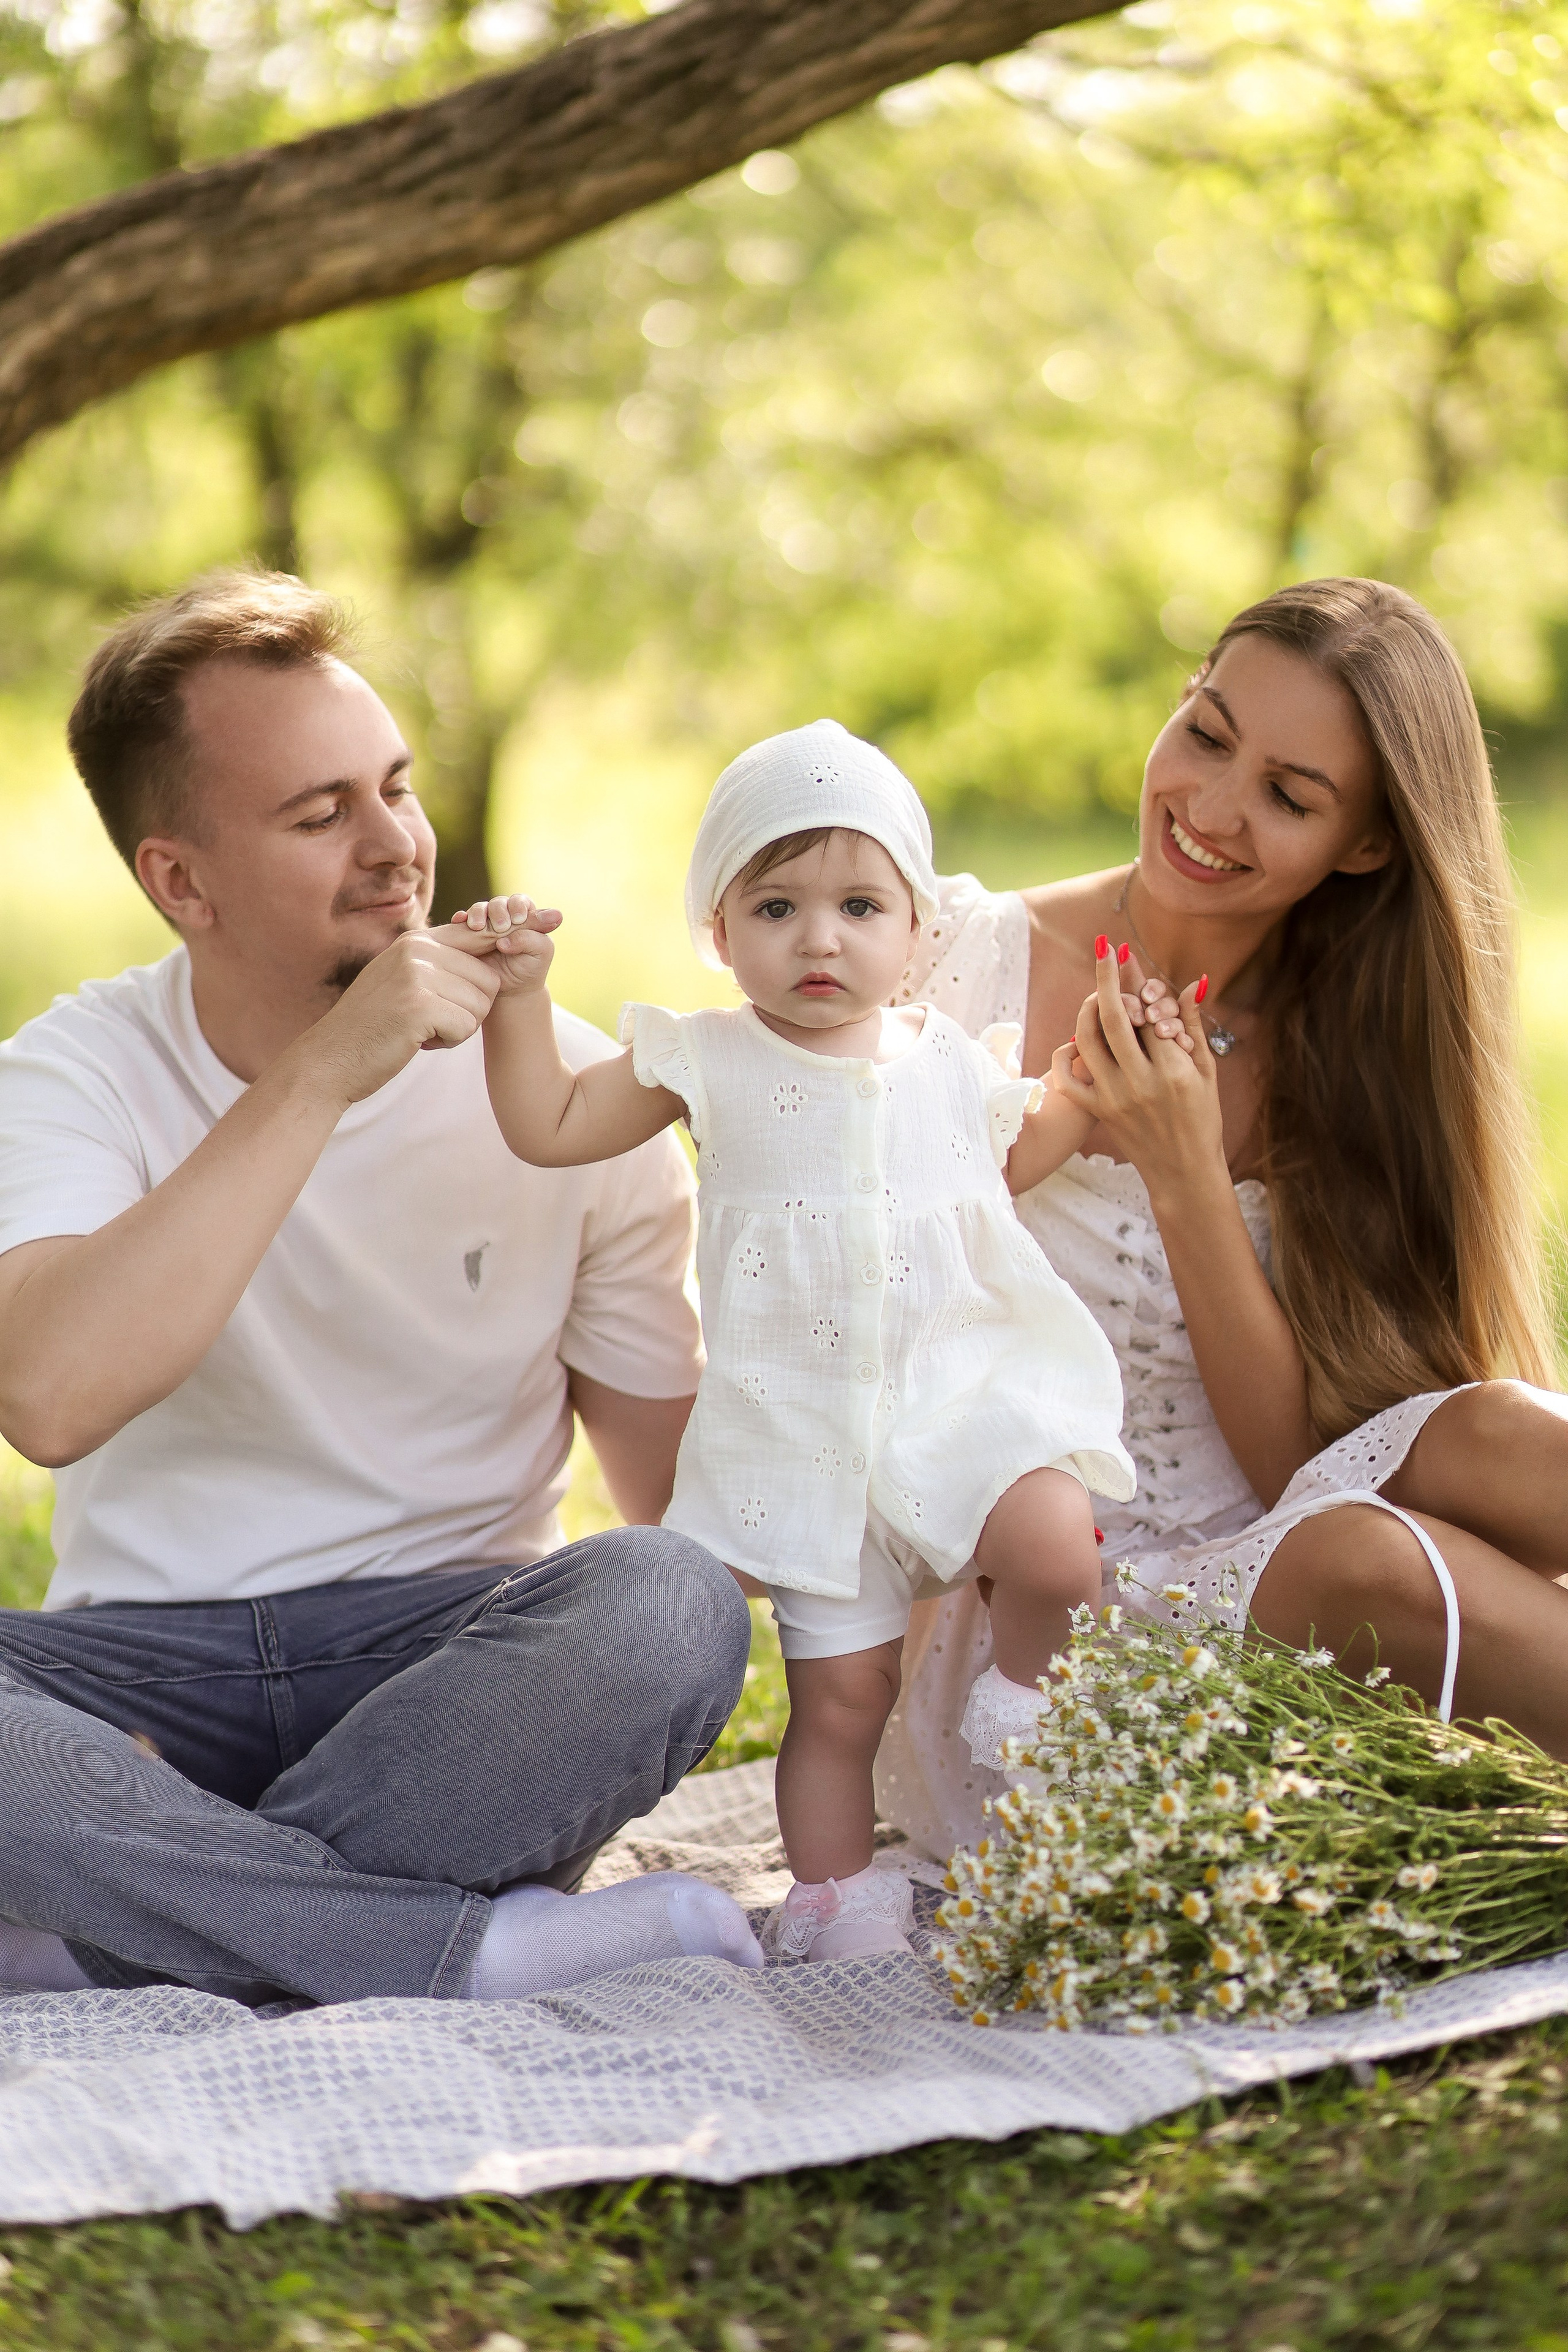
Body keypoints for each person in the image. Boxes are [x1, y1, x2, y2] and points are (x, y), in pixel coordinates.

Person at [0, 568, 761, 2007]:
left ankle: (113, 1936)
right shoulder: (71, 1074)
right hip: (146, 1686)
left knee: (665, 1605)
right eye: (318, 814)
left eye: (394, 789)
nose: (396, 848)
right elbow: (47, 1396)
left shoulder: (574, 1098)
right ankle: (452, 1950)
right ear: (180, 881)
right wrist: (326, 1075)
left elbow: (678, 1513)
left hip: (449, 1667)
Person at [873, 576, 1568, 1865]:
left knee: (1503, 1435)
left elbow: (1286, 1470)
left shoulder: (1357, 1040)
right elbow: (828, 1283)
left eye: (1288, 796)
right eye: (1205, 732)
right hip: (1046, 1623)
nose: (1208, 807)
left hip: (1270, 1527)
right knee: (1362, 1557)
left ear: (1364, 845)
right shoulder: (948, 961)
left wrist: (1188, 1174)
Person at [447, 719, 1158, 1962]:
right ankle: (838, 1902)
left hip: (959, 1408)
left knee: (1053, 1543)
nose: (818, 937)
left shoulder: (945, 1056)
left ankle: (1029, 1711)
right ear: (719, 934)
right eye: (774, 906)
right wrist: (517, 1000)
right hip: (809, 1445)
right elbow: (550, 1123)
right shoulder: (706, 1060)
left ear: (918, 932)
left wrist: (1087, 1093)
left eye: (856, 904)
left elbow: (1012, 1161)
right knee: (839, 1702)